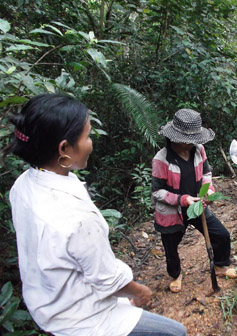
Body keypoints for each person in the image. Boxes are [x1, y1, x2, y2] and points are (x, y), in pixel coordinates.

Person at [5, 94, 186, 336]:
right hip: (87, 318)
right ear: (64, 148)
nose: (91, 142)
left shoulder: (23, 185)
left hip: (47, 305)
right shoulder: (76, 217)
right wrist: (140, 292)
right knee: (176, 333)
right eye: (87, 136)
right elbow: (107, 280)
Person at [151, 109, 237, 294]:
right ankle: (176, 275)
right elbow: (157, 191)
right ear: (176, 137)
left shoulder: (199, 150)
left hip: (198, 205)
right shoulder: (161, 159)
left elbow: (206, 173)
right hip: (172, 211)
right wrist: (182, 200)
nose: (193, 143)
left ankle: (220, 265)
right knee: (170, 248)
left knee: (221, 235)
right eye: (189, 140)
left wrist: (208, 190)